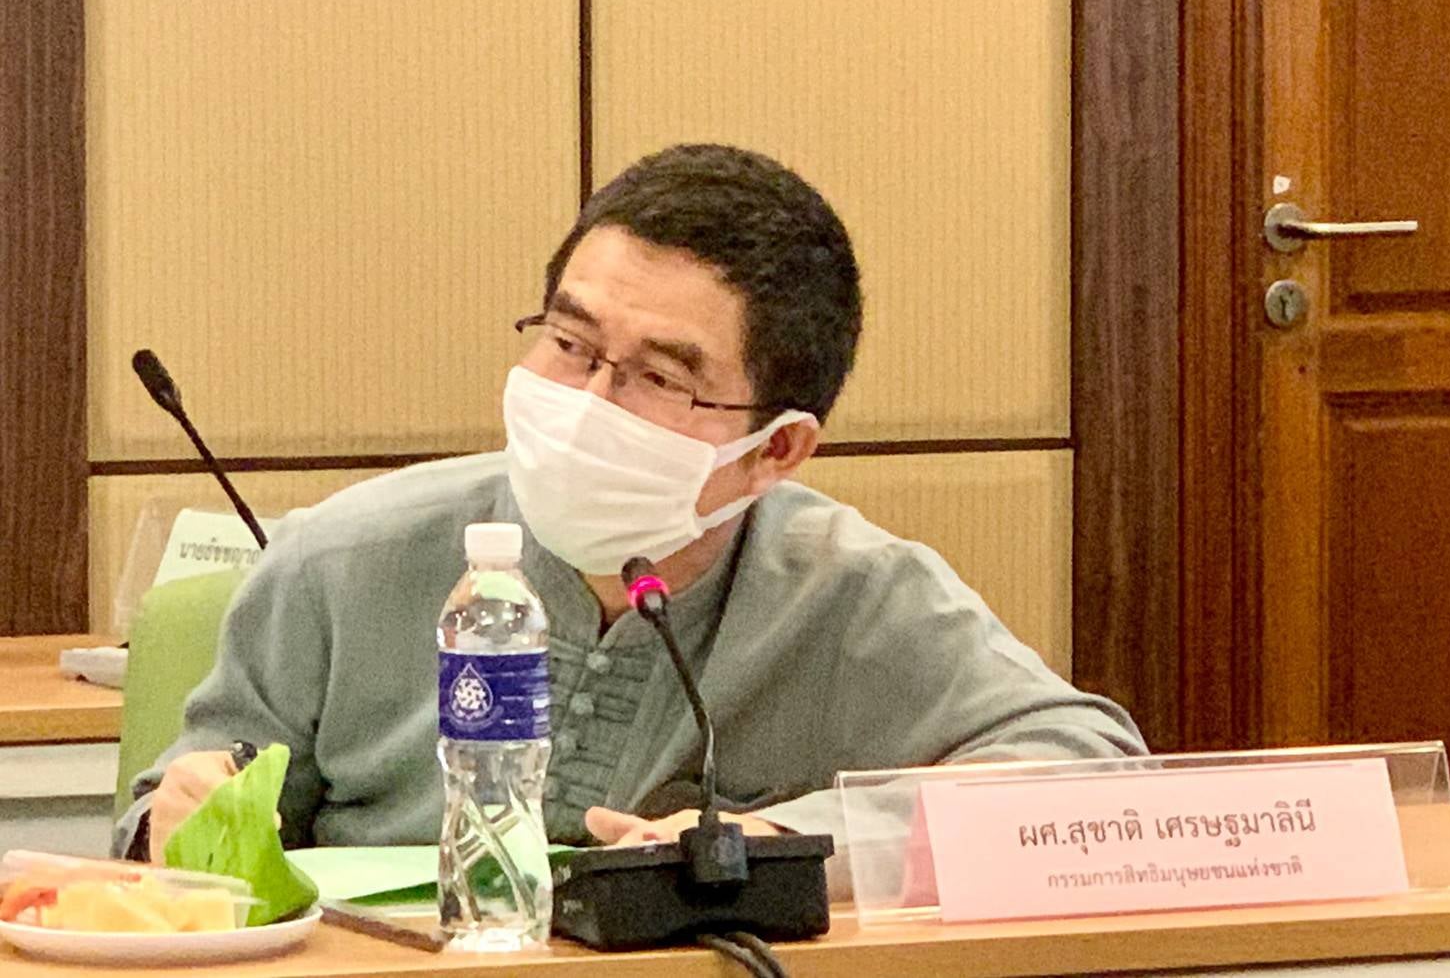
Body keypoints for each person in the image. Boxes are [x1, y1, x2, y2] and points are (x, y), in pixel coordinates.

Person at [115, 144, 1144, 867]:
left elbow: (1091, 779)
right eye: (569, 344)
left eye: (659, 376)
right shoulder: (340, 560)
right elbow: (172, 820)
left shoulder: (853, 596)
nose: (587, 403)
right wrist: (179, 819)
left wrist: (796, 843)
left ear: (775, 449)